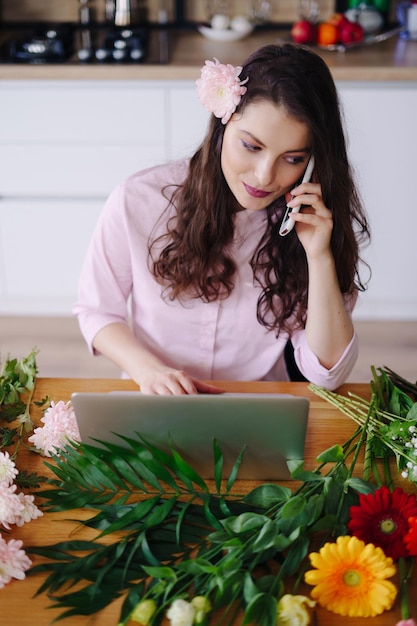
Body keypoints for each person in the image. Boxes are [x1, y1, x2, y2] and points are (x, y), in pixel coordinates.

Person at [73, 43, 370, 395]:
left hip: (258, 407)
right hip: (153, 397)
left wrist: (319, 257)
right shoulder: (139, 200)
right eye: (251, 146)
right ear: (222, 126)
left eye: (291, 159)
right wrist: (150, 371)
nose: (263, 177)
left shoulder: (311, 224)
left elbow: (328, 374)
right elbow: (97, 311)